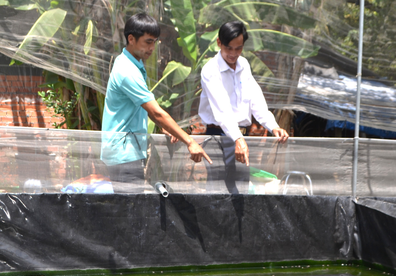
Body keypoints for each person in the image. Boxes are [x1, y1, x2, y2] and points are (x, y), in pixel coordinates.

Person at [101, 13, 211, 193]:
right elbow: (157, 113)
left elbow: (139, 107)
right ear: (131, 39)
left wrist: (163, 127)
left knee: (132, 208)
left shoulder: (134, 63)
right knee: (131, 210)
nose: (152, 48)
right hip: (123, 153)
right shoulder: (127, 71)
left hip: (127, 150)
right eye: (148, 42)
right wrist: (190, 141)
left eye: (154, 42)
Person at [198, 20, 289, 194]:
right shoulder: (210, 70)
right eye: (229, 48)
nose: (233, 54)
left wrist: (273, 126)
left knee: (241, 193)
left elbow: (255, 98)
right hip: (219, 137)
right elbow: (222, 111)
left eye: (238, 48)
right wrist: (238, 139)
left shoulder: (244, 65)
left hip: (242, 138)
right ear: (219, 43)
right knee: (217, 195)